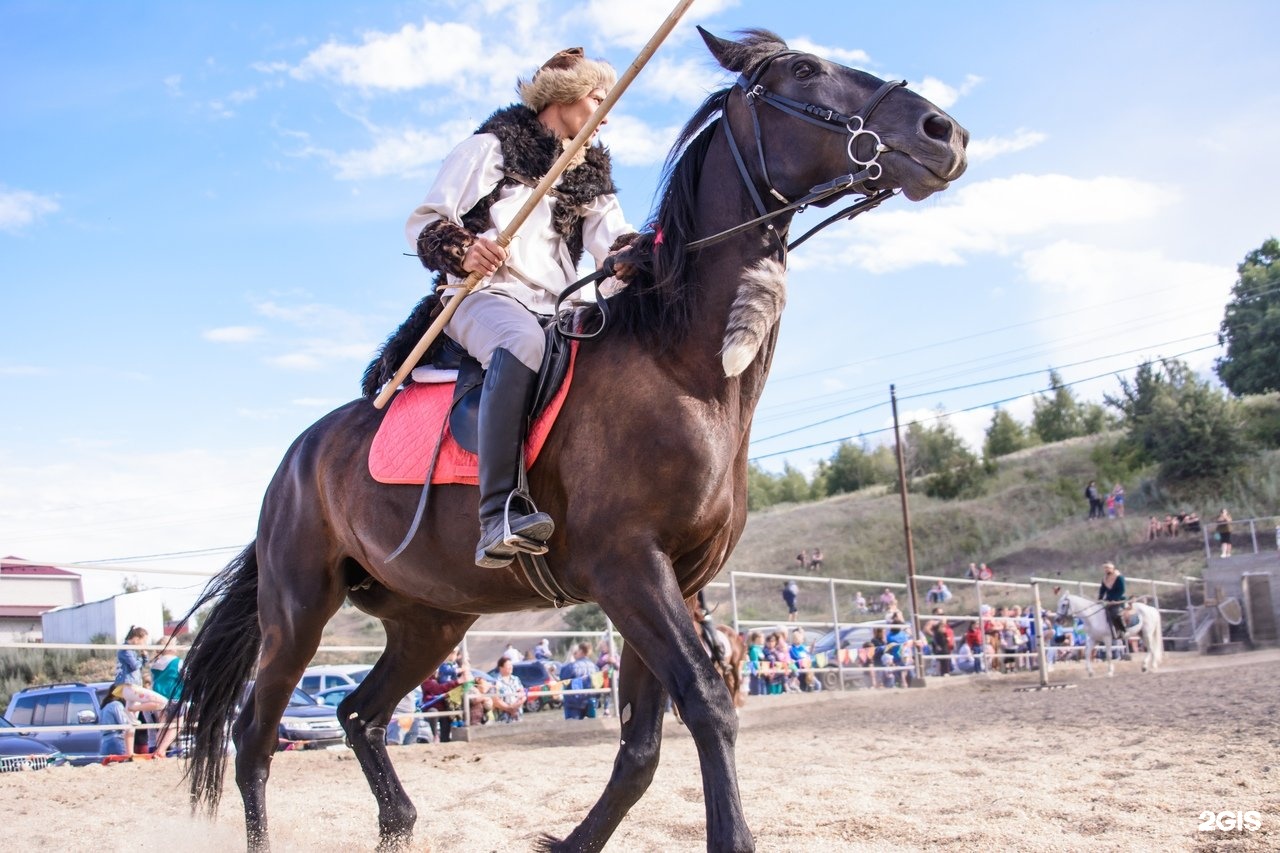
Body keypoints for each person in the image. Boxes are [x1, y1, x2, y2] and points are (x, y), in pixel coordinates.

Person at [404, 47, 637, 569]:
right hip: (481, 298)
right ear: (563, 98)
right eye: (600, 98)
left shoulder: (590, 173)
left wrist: (638, 255)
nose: (607, 112)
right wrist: (464, 248)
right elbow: (424, 222)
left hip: (561, 307)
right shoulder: (489, 149)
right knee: (521, 341)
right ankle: (498, 513)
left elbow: (614, 240)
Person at [560, 642, 600, 719]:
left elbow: (562, 678)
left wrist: (570, 658)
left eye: (576, 651)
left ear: (581, 651)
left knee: (573, 727)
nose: (575, 653)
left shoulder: (572, 666)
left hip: (574, 702)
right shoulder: (595, 667)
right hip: (590, 700)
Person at [99, 682, 134, 759]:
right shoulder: (116, 705)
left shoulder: (104, 706)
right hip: (116, 739)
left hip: (104, 740)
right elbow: (124, 723)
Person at [1098, 561, 1128, 640]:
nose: (1106, 570)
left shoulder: (1119, 577)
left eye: (1108, 568)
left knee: (1115, 613)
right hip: (1108, 600)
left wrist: (1114, 599)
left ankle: (1123, 629)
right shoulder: (1105, 579)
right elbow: (1102, 589)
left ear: (1113, 568)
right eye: (1105, 568)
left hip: (1118, 599)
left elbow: (1122, 589)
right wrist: (1100, 598)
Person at [492, 657, 527, 723]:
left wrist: (515, 707)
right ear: (501, 668)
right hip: (502, 718)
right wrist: (509, 709)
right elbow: (495, 700)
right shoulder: (496, 682)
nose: (511, 667)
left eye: (511, 665)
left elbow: (523, 696)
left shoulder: (516, 679)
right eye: (508, 665)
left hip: (517, 715)